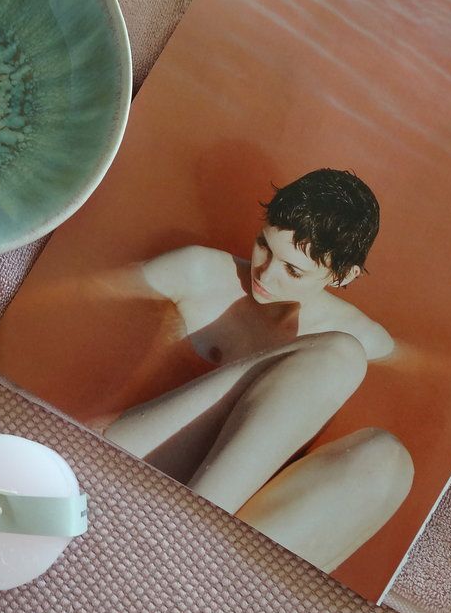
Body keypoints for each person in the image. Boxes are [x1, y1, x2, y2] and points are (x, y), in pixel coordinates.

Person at [103, 168, 413, 572]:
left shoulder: (371, 339)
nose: (264, 274)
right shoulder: (197, 273)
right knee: (340, 353)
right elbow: (70, 299)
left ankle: (187, 573)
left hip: (203, 516)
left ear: (343, 276)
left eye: (293, 270)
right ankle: (181, 547)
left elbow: (432, 384)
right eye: (264, 245)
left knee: (388, 462)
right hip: (125, 458)